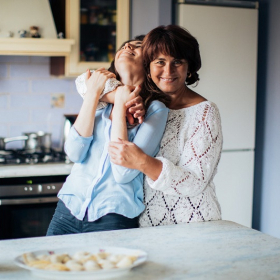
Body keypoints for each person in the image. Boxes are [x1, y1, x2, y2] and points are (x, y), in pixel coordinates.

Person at [46, 36, 169, 235]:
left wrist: (121, 103)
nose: (128, 46)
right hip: (67, 210)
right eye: (125, 45)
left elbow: (123, 173)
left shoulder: (155, 110)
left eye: (138, 47)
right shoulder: (101, 101)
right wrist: (93, 94)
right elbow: (74, 153)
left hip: (114, 217)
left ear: (149, 66)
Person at [108, 25, 223, 227]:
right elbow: (85, 83)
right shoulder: (143, 103)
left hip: (195, 224)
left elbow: (195, 182)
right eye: (160, 62)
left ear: (189, 68)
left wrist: (142, 161)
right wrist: (112, 96)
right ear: (148, 66)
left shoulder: (205, 112)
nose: (168, 71)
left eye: (177, 62)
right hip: (147, 225)